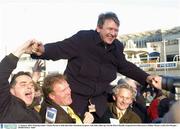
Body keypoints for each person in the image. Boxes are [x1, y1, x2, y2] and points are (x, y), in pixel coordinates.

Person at [29, 12, 162, 122]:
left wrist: (147, 77)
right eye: (110, 29)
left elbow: (125, 66)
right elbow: (61, 48)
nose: (113, 33)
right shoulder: (83, 39)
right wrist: (42, 50)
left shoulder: (117, 47)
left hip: (98, 105)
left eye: (116, 30)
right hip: (75, 102)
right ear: (99, 28)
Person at [0, 41, 42, 123]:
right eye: (23, 84)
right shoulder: (6, 106)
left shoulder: (33, 111)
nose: (30, 87)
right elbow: (1, 74)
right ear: (11, 91)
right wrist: (21, 50)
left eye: (31, 85)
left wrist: (34, 79)